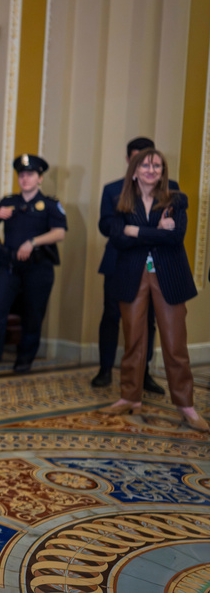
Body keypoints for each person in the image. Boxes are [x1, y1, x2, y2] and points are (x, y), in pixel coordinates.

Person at [98, 148, 208, 433]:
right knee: (134, 340)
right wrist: (152, 232)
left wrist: (136, 232)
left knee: (175, 345)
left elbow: (175, 237)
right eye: (145, 165)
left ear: (162, 171)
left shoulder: (175, 199)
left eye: (157, 166)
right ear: (134, 171)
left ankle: (186, 406)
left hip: (168, 276)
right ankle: (129, 396)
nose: (151, 170)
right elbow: (118, 239)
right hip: (132, 275)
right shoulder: (119, 200)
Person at [0, 154, 66, 373]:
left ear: (40, 178)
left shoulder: (50, 204)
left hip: (38, 268)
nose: (25, 179)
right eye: (21, 175)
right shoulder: (9, 201)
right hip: (9, 266)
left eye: (30, 175)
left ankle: (24, 360)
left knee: (33, 314)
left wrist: (33, 242)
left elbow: (59, 233)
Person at [92, 136, 172, 394]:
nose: (147, 167)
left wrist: (134, 230)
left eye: (152, 162)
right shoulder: (114, 189)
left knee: (148, 320)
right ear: (130, 161)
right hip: (118, 260)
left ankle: (144, 373)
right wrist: (139, 230)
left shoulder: (166, 191)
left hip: (151, 264)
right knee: (111, 315)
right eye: (139, 159)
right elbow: (107, 226)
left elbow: (169, 230)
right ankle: (105, 370)